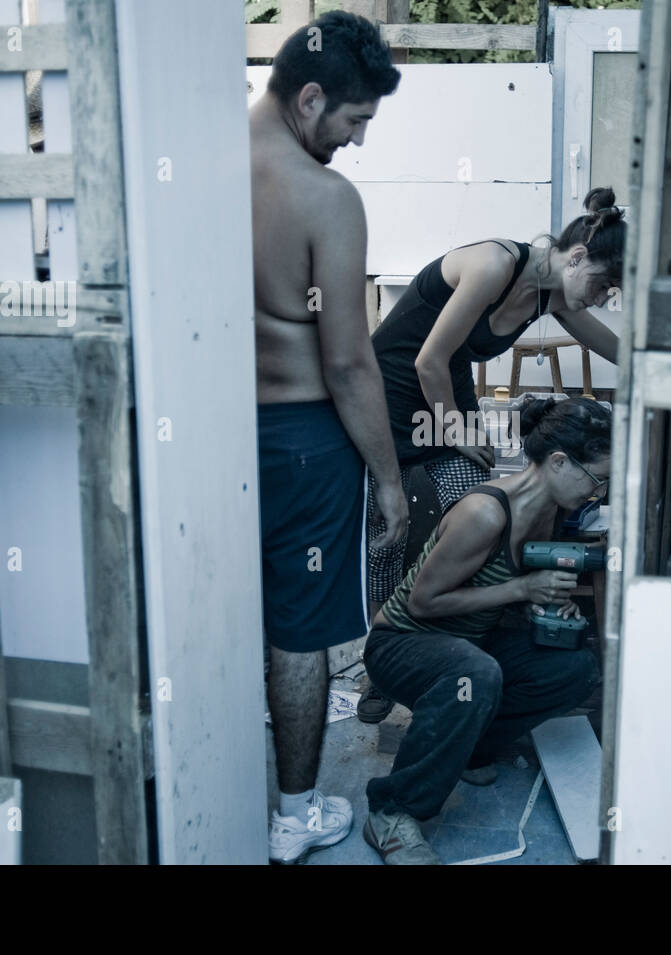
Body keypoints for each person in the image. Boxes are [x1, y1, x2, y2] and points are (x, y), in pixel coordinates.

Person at [357, 188, 626, 723]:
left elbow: (621, 349)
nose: (599, 299)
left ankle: (448, 652)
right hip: (391, 383)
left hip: (443, 389)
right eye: (600, 285)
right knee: (395, 521)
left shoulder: (555, 297)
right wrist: (455, 428)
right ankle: (381, 665)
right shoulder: (494, 264)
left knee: (463, 509)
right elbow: (427, 358)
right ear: (575, 259)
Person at [250, 11, 408, 864]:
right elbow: (349, 363)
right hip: (307, 441)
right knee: (301, 634)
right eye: (353, 121)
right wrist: (387, 478)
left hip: (209, 434)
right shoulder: (325, 199)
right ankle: (294, 815)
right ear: (311, 98)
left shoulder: (194, 166)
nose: (354, 143)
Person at [362, 397, 609, 864]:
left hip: (469, 640)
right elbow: (423, 602)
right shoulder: (486, 512)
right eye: (596, 478)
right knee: (474, 674)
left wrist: (553, 615)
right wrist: (522, 588)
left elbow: (513, 599)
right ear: (559, 462)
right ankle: (392, 810)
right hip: (401, 643)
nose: (597, 492)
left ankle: (467, 747)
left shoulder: (551, 511)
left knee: (574, 667)